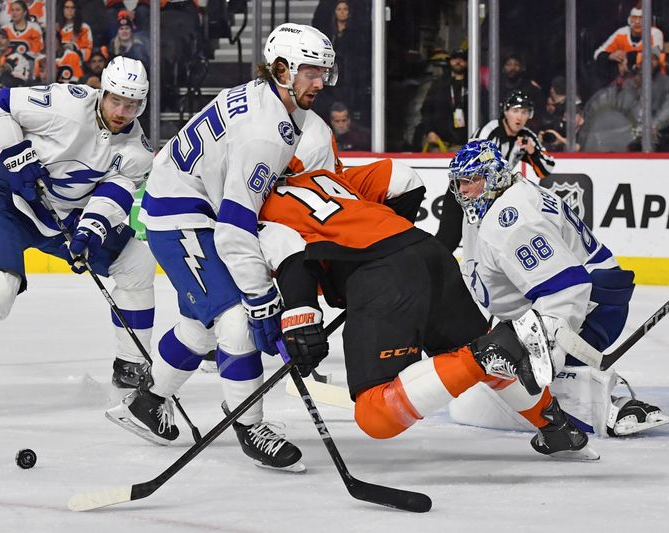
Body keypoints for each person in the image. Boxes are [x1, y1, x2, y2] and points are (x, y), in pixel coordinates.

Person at [105, 23, 336, 472]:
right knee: (236, 320)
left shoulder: (270, 100)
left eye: (324, 72)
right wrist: (265, 300)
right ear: (283, 69)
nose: (320, 82)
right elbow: (235, 227)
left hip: (190, 204)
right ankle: (251, 429)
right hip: (182, 216)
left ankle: (145, 405)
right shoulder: (269, 132)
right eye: (311, 71)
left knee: (201, 324)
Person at [256, 158, 596, 460]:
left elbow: (291, 257)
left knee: (374, 413)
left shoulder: (261, 209)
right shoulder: (326, 176)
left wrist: (301, 318)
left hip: (383, 276)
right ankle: (555, 425)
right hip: (426, 250)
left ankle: (488, 351)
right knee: (487, 362)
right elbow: (403, 180)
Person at [0, 56, 156, 422]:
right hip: (8, 199)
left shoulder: (138, 151)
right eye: (116, 100)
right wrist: (18, 156)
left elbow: (114, 194)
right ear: (103, 91)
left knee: (137, 262)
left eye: (131, 105)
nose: (121, 111)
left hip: (61, 217)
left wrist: (90, 231)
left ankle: (130, 366)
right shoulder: (67, 103)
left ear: (141, 104)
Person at [447, 139, 668, 437]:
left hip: (591, 306)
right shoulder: (501, 199)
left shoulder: (511, 218)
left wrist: (545, 353)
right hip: (583, 295)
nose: (462, 191)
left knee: (495, 393)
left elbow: (567, 287)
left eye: (470, 180)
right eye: (459, 182)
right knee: (482, 385)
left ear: (494, 176)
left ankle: (608, 409)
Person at [435, 90, 555, 252]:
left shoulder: (527, 137)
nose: (520, 117)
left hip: (493, 196)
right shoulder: (489, 132)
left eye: (524, 112)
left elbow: (546, 170)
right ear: (506, 112)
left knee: (490, 241)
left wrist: (532, 152)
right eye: (515, 111)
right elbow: (468, 166)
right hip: (467, 189)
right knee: (449, 239)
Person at [594, 6, 664, 88]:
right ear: (629, 19)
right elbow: (597, 54)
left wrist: (627, 58)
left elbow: (655, 56)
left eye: (641, 18)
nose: (637, 21)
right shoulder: (621, 32)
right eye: (634, 18)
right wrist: (610, 56)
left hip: (652, 82)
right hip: (627, 82)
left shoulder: (655, 33)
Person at [420, 48, 469, 151]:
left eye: (462, 59)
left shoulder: (474, 85)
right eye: (455, 59)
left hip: (466, 145)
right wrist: (429, 131)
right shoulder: (439, 85)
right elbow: (426, 110)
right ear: (450, 61)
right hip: (440, 143)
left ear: (467, 62)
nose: (458, 62)